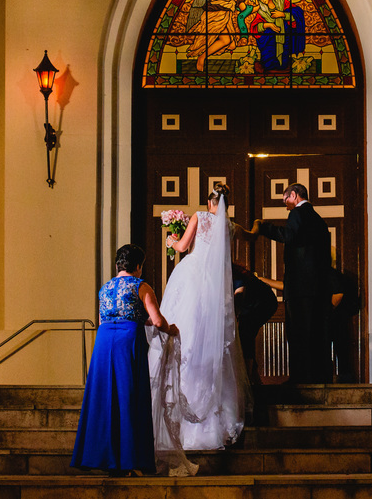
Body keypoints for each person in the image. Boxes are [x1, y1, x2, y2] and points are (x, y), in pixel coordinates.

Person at [147, 183, 246, 475]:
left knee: (185, 339)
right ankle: (213, 424)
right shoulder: (228, 227)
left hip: (191, 280)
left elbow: (181, 247)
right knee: (209, 344)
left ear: (209, 201)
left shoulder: (200, 217)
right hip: (213, 287)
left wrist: (172, 239)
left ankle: (177, 420)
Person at [70, 244, 176, 476]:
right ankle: (128, 461)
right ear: (138, 266)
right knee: (129, 397)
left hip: (104, 341)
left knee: (104, 397)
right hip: (128, 342)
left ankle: (104, 459)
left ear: (119, 265)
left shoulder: (105, 288)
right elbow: (157, 321)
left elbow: (103, 320)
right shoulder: (141, 285)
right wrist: (172, 330)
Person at [248, 183, 333, 383]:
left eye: (285, 199)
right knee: (316, 335)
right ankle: (318, 379)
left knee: (298, 335)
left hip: (299, 289)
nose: (285, 205)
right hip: (318, 289)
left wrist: (263, 227)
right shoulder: (319, 221)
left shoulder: (297, 213)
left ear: (293, 195)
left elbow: (289, 236)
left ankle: (299, 380)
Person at [231, 261, 279, 381]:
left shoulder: (235, 276)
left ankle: (247, 378)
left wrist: (234, 317)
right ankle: (253, 376)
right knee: (244, 334)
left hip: (263, 302)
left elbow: (238, 297)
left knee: (245, 332)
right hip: (248, 305)